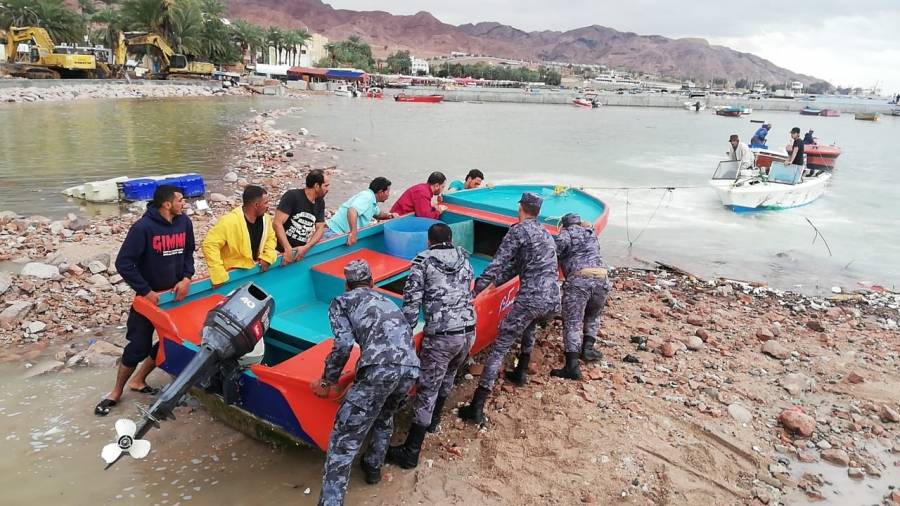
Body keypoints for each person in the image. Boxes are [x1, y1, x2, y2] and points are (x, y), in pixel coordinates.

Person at [314, 260, 420, 506]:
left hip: (379, 370)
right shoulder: (386, 301)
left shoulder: (342, 302)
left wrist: (328, 379)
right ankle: (373, 469)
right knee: (384, 416)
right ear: (372, 282)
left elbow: (343, 344)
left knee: (342, 444)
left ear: (346, 285)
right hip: (410, 368)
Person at [457, 192, 559, 425]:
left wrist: (475, 292)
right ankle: (520, 372)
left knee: (500, 346)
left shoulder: (519, 231)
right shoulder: (545, 233)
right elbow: (517, 267)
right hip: (552, 297)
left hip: (532, 296)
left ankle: (477, 406)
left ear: (520, 207)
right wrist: (497, 283)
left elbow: (498, 263)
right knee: (529, 326)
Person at [95, 185, 195, 416]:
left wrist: (187, 278)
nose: (184, 203)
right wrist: (146, 291)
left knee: (169, 343)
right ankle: (115, 391)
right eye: (180, 200)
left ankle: (138, 380)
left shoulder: (184, 223)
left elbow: (189, 251)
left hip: (175, 298)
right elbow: (124, 263)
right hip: (149, 300)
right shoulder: (143, 228)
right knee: (137, 347)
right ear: (167, 204)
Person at [386, 223, 475, 469]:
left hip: (442, 337)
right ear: (451, 239)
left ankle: (411, 452)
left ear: (428, 242)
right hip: (468, 331)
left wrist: (403, 338)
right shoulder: (464, 259)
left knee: (427, 390)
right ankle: (434, 421)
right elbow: (469, 290)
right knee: (448, 377)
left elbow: (412, 304)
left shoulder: (422, 262)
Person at [549, 213, 610, 380]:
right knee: (593, 314)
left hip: (580, 279)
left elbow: (551, 253)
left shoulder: (566, 234)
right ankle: (588, 349)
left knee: (573, 321)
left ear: (564, 225)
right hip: (602, 278)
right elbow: (589, 224)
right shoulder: (591, 234)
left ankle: (572, 367)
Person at [202, 185, 277, 287]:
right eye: (266, 203)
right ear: (256, 205)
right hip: (231, 274)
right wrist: (218, 273)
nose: (268, 206)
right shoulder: (229, 221)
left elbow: (271, 239)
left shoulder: (266, 219)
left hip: (254, 269)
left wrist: (268, 257)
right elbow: (210, 245)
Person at [274, 169, 330, 265]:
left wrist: (307, 247)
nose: (328, 189)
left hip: (300, 250)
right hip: (278, 250)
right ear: (316, 186)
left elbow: (320, 227)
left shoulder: (320, 202)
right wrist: (287, 249)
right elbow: (277, 223)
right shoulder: (292, 196)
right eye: (326, 186)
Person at [324, 177, 397, 246]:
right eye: (388, 192)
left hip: (338, 233)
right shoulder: (367, 197)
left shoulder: (372, 201)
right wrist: (353, 233)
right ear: (381, 192)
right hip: (333, 232)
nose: (388, 195)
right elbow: (352, 210)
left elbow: (378, 214)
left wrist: (390, 215)